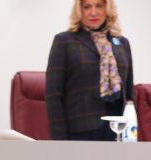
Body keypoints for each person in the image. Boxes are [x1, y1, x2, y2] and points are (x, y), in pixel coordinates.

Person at [46, 0, 134, 141]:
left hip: (118, 129)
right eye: (87, 7)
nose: (93, 12)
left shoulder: (122, 43)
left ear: (108, 8)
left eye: (99, 5)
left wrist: (132, 130)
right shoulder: (64, 41)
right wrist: (59, 141)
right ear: (79, 10)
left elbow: (129, 92)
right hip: (80, 130)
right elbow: (53, 95)